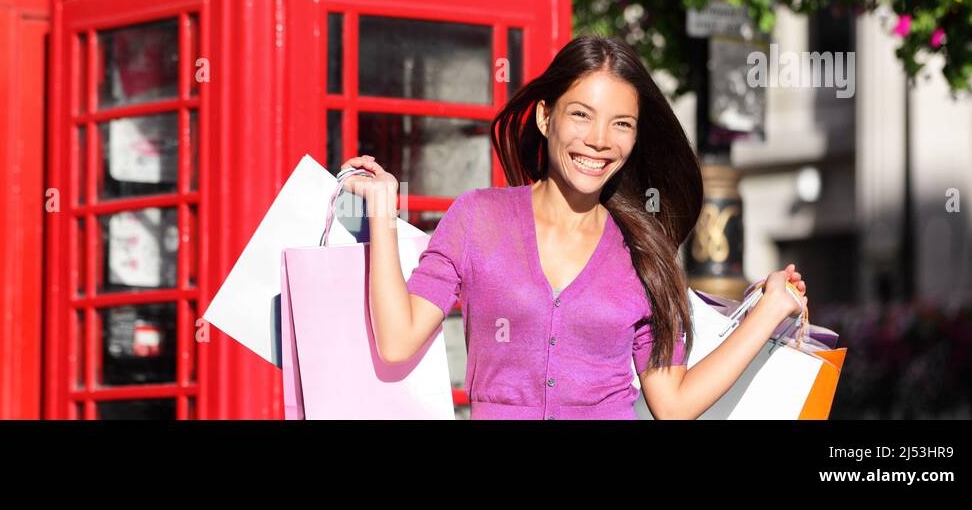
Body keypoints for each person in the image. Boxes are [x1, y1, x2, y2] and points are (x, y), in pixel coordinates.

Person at [340, 35, 808, 420]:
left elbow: (674, 403)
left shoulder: (643, 251)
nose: (600, 141)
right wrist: (383, 212)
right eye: (581, 114)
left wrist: (768, 310)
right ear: (546, 117)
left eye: (621, 124)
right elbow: (398, 341)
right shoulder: (477, 219)